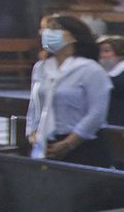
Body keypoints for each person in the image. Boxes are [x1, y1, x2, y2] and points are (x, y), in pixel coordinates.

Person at [27, 13, 111, 166]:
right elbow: (35, 104)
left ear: (73, 36)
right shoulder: (41, 68)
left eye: (54, 29)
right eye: (45, 30)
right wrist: (33, 133)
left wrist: (69, 143)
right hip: (45, 141)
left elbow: (96, 113)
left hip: (81, 145)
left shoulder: (90, 69)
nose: (47, 34)